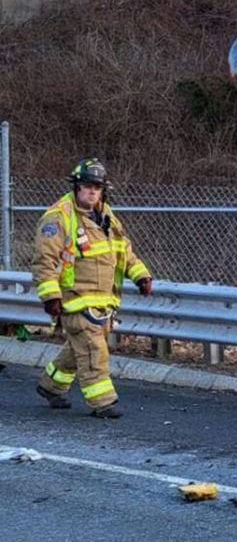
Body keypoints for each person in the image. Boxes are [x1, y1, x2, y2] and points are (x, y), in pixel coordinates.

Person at [32, 158, 153, 418]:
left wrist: (141, 276)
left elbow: (124, 251)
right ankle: (102, 402)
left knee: (79, 349)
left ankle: (50, 385)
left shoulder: (106, 215)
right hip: (75, 299)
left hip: (103, 302)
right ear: (76, 187)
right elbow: (45, 261)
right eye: (87, 186)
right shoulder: (58, 218)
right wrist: (51, 296)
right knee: (93, 349)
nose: (92, 192)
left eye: (97, 188)